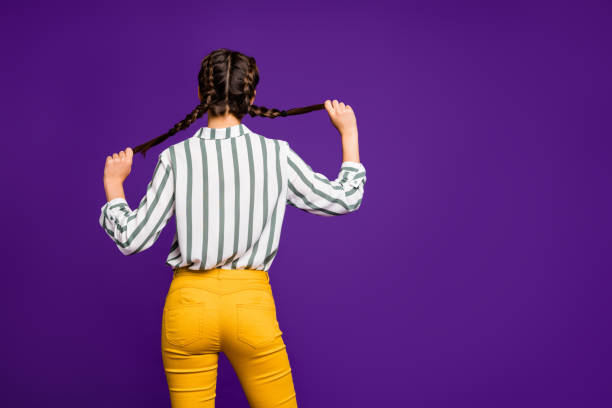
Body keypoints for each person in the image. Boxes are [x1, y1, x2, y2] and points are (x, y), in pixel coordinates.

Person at [99, 48, 367, 408]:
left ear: (201, 94)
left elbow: (133, 239)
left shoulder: (175, 157)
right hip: (250, 308)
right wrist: (348, 133)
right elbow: (344, 199)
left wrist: (115, 187)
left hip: (188, 308)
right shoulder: (276, 155)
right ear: (251, 96)